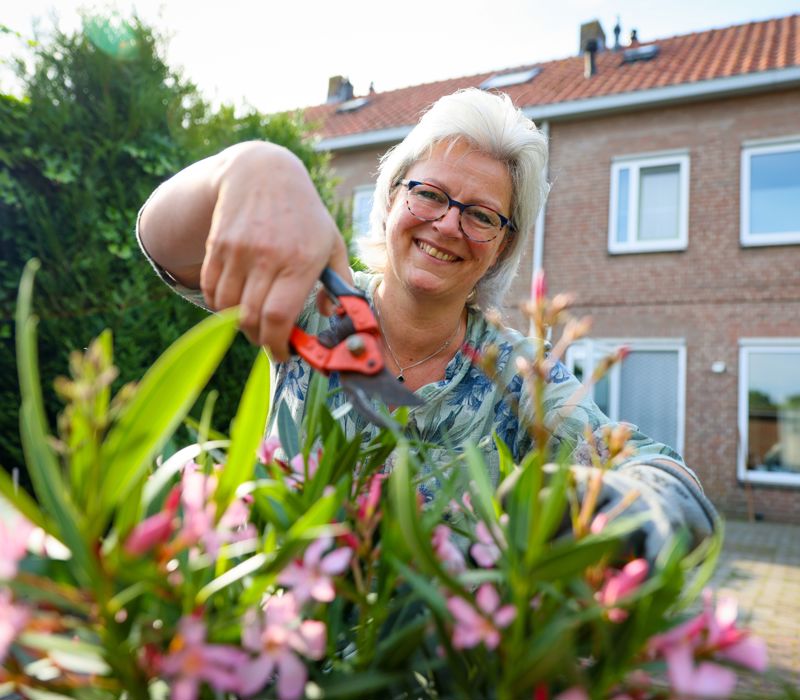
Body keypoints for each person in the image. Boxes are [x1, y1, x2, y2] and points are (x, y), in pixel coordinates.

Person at [137, 88, 717, 561]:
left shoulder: (516, 374)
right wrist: (252, 165)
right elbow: (166, 248)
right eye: (430, 194)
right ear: (391, 199)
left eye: (481, 215)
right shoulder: (318, 304)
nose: (447, 224)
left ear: (502, 246)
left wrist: (626, 507)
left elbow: (668, 481)